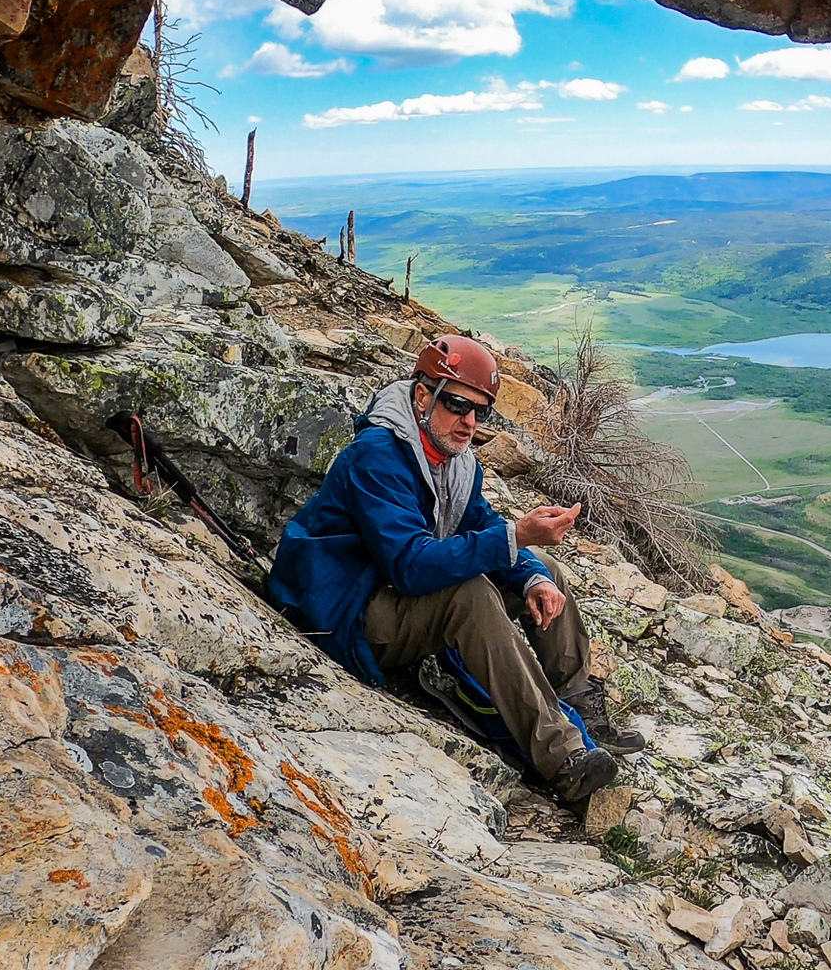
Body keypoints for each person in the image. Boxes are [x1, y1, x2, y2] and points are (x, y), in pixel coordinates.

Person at [267, 334, 644, 803]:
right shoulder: (378, 456)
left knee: (543, 568)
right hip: (346, 610)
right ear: (423, 395)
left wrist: (530, 573)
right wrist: (515, 537)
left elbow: (480, 523)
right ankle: (564, 756)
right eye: (458, 404)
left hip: (388, 592)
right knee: (469, 596)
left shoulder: (452, 459)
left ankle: (581, 705)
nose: (468, 422)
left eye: (478, 411)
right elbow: (410, 566)